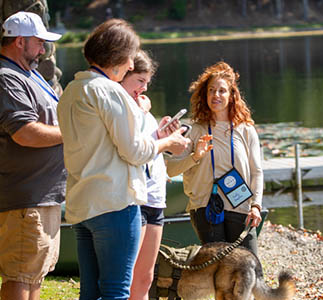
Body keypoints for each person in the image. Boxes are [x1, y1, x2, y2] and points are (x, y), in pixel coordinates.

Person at [57, 19, 190, 300]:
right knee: (117, 291)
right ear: (117, 56)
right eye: (129, 58)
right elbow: (135, 152)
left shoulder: (71, 91)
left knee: (90, 292)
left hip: (82, 204)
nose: (131, 65)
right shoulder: (109, 91)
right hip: (114, 204)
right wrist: (169, 142)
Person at [166, 61, 263, 255]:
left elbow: (257, 172)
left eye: (221, 91)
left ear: (232, 95)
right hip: (205, 208)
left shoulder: (246, 129)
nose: (216, 95)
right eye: (211, 90)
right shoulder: (194, 130)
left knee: (250, 268)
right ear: (205, 94)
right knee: (218, 269)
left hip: (241, 205)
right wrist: (196, 156)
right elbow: (170, 170)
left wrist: (256, 206)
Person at [0, 11, 65, 300]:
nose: (43, 50)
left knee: (34, 274)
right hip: (25, 198)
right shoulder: (7, 77)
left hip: (43, 196)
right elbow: (24, 132)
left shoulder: (30, 73)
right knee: (19, 276)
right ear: (19, 42)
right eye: (39, 43)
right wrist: (75, 132)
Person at [120, 50, 173, 300]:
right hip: (135, 199)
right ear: (123, 75)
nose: (143, 88)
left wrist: (161, 135)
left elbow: (149, 147)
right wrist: (140, 113)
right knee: (125, 277)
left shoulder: (143, 108)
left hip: (155, 198)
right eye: (139, 81)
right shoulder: (123, 107)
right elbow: (130, 148)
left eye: (147, 83)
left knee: (146, 277)